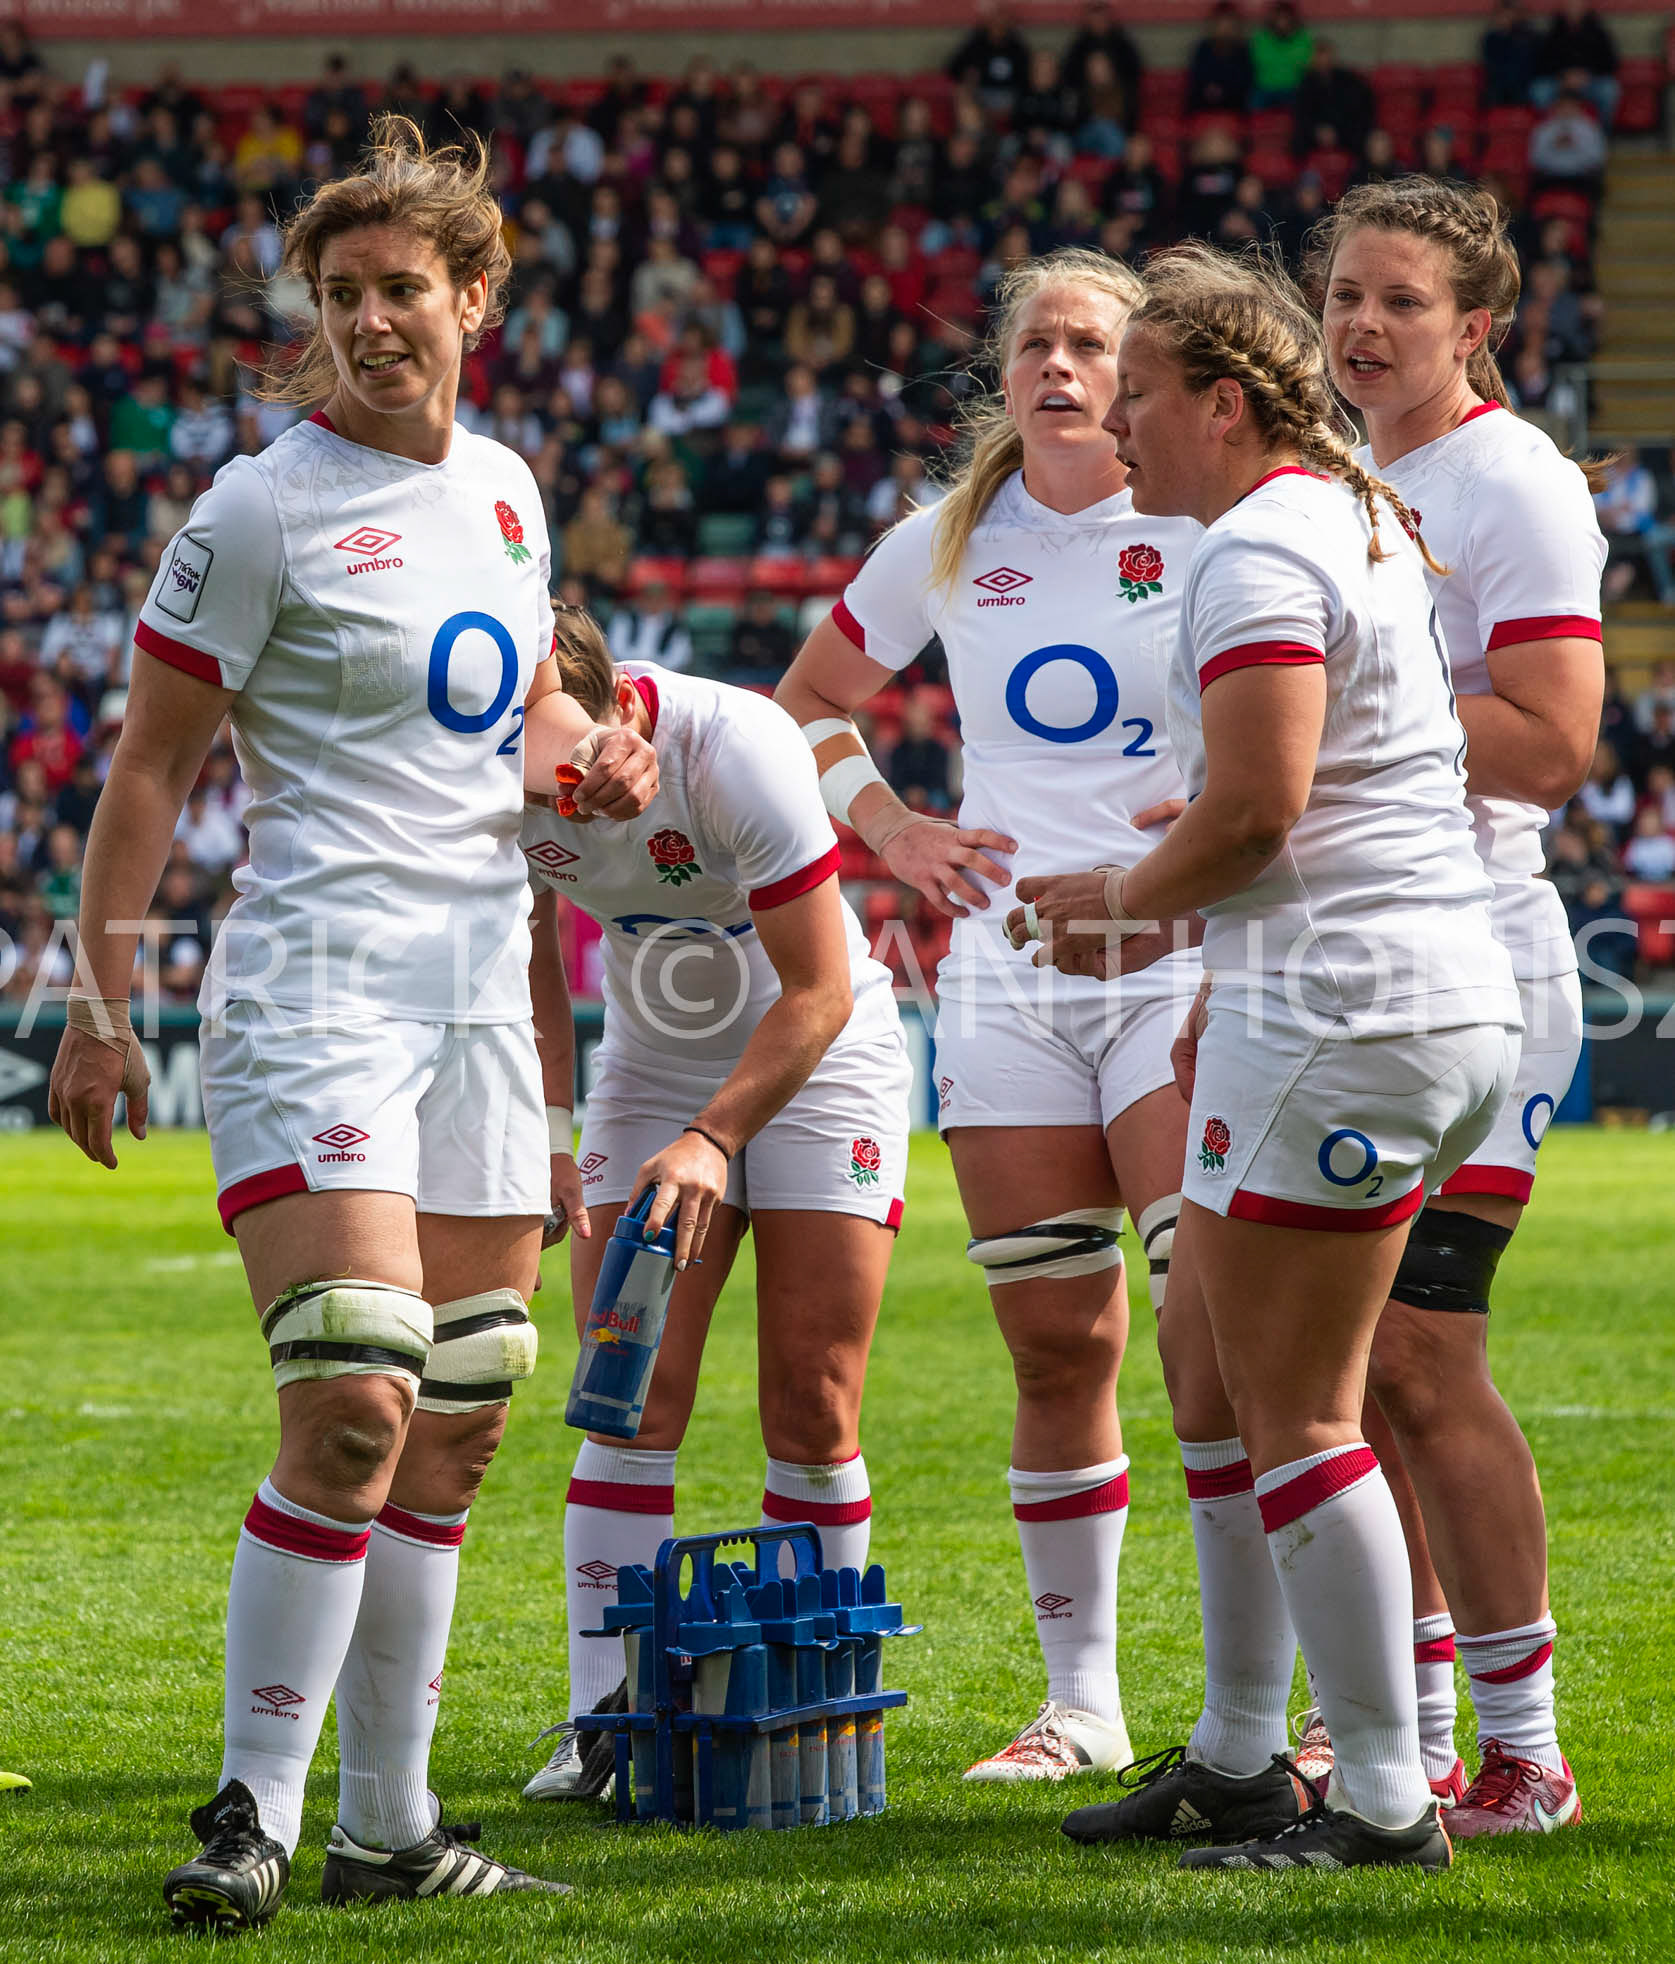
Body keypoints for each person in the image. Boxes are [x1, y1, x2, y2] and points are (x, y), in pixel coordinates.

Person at [47, 119, 658, 1931]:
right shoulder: (255, 509)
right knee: (353, 1400)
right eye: (343, 293)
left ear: (476, 296)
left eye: (406, 287)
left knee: (465, 1405)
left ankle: (392, 1827)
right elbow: (148, 774)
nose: (374, 318)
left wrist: (599, 749)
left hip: (483, 991)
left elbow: (527, 731)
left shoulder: (509, 490)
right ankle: (251, 1808)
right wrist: (96, 1009)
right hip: (318, 984)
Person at [1015, 241, 1521, 1871]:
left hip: (1342, 1009)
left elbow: (1260, 808)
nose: (1120, 428)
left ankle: (1378, 1798)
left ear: (1222, 404)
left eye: (1146, 394)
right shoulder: (1341, 512)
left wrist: (1123, 898)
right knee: (1216, 1372)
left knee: (1303, 1414)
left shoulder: (1258, 548)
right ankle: (1242, 1754)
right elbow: (1315, 785)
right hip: (1374, 988)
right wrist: (1193, 878)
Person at [776, 248, 1203, 1783]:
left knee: (1208, 1331)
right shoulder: (947, 539)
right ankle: (1081, 1707)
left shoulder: (1206, 520)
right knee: (1051, 1342)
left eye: (1091, 343)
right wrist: (887, 829)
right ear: (1001, 375)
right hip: (1009, 972)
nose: (1059, 366)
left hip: (1178, 958)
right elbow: (805, 699)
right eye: (1035, 343)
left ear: (1133, 371)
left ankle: (1250, 1711)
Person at [1310, 176, 1604, 1834]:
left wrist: (1327, 719)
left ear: (1476, 324)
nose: (1361, 326)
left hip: (1482, 952)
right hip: (1352, 951)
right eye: (1345, 295)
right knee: (1348, 1374)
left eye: (1400, 302)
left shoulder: (1511, 480)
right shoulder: (1347, 472)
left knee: (1422, 1350)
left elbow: (1556, 740)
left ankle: (1526, 1751)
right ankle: (1415, 1742)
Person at [519, 608, 911, 1800]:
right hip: (648, 1064)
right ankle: (607, 1720)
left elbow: (821, 987)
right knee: (624, 1393)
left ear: (625, 712)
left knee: (812, 1395)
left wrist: (713, 1137)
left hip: (818, 1052)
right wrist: (545, 1127)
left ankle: (807, 1702)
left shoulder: (735, 742)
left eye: (579, 763)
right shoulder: (496, 765)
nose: (563, 794)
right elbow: (533, 948)